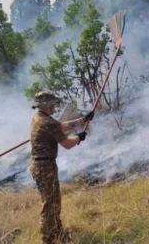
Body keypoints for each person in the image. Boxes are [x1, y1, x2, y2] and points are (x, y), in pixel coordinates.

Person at [30, 90, 94, 244]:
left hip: (41, 165)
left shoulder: (38, 117)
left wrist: (83, 120)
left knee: (54, 202)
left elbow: (61, 126)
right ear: (47, 104)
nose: (55, 107)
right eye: (53, 104)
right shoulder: (48, 122)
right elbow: (67, 144)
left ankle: (58, 234)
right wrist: (78, 137)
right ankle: (48, 239)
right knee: (50, 204)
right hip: (44, 167)